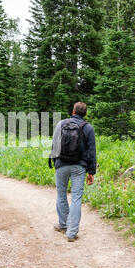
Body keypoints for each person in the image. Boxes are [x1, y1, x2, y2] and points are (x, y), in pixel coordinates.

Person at [49, 102, 97, 242]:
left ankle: (63, 225)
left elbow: (54, 145)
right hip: (79, 167)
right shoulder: (88, 128)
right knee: (76, 198)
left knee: (61, 194)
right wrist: (91, 172)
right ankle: (71, 233)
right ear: (85, 114)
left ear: (73, 111)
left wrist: (55, 163)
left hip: (61, 165)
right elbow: (92, 151)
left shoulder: (61, 124)